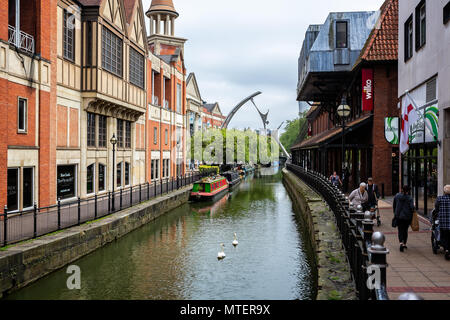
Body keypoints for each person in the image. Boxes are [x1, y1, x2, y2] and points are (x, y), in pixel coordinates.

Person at [393, 185, 414, 252]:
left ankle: (401, 243)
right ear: (408, 191)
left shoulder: (397, 196)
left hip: (399, 216)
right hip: (407, 217)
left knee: (400, 230)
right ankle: (404, 243)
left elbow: (394, 205)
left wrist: (395, 213)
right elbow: (412, 208)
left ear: (402, 189)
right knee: (405, 230)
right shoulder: (410, 198)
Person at [435, 185, 450, 260]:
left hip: (443, 222)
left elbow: (436, 209)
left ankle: (446, 249)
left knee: (444, 236)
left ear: (444, 191)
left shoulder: (440, 198)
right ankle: (448, 249)